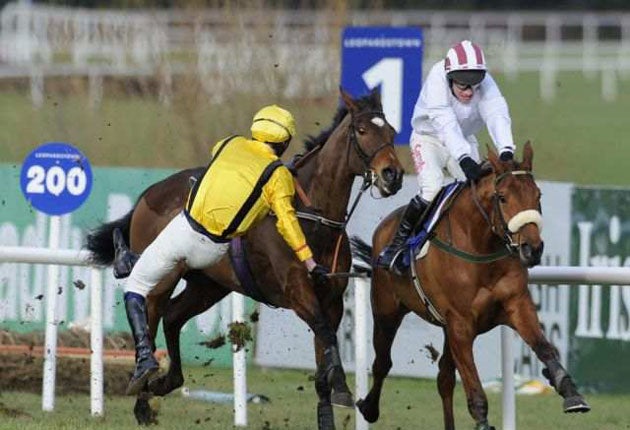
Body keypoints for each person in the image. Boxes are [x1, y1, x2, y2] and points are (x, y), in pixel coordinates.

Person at [122, 105, 330, 395]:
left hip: (185, 232)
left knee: (134, 286)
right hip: (216, 251)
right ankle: (131, 259)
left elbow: (218, 153)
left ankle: (145, 356)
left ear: (255, 130)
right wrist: (309, 263)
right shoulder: (279, 175)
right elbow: (287, 224)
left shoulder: (230, 143)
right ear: (284, 143)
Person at [378, 40, 516, 273]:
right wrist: (464, 158)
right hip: (428, 139)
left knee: (478, 190)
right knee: (432, 189)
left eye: (474, 85)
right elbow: (445, 123)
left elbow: (497, 114)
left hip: (463, 139)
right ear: (450, 77)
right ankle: (396, 246)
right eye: (463, 86)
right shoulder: (437, 77)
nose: (469, 92)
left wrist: (506, 150)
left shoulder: (485, 83)